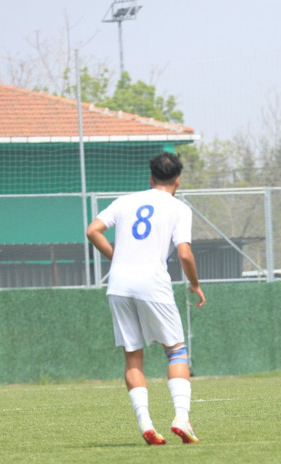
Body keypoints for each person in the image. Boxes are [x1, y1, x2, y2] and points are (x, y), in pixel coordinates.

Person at [86, 152, 206, 445]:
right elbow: (185, 254)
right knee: (176, 352)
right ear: (178, 181)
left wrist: (117, 257)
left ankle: (146, 423)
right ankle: (181, 418)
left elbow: (93, 231)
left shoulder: (125, 201)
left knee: (133, 358)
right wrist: (195, 284)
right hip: (152, 283)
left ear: (151, 178)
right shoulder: (179, 208)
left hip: (118, 284)